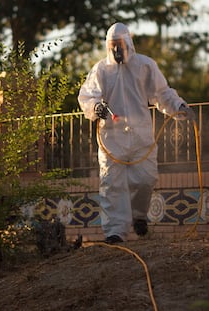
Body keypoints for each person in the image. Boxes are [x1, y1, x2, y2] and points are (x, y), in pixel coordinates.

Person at [77, 22, 195, 244]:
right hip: (111, 139)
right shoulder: (101, 70)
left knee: (145, 179)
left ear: (129, 43)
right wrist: (95, 107)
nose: (116, 51)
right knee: (112, 184)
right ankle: (115, 233)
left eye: (119, 45)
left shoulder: (144, 66)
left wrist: (179, 107)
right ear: (107, 46)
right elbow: (87, 96)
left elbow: (162, 94)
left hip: (141, 137)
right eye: (112, 46)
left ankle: (139, 215)